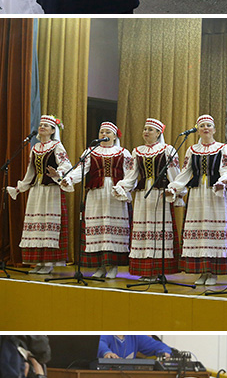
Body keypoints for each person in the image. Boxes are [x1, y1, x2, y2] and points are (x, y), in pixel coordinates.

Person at [166, 114, 227, 287]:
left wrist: (223, 182)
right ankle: (202, 270)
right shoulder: (192, 150)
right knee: (199, 230)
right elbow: (185, 172)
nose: (205, 128)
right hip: (198, 194)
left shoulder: (223, 148)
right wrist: (174, 187)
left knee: (214, 228)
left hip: (216, 194)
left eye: (208, 125)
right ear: (197, 130)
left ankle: (213, 271)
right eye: (202, 126)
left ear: (214, 129)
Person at [113, 118, 181, 278]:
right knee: (143, 229)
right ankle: (145, 269)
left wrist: (175, 189)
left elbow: (174, 173)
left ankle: (159, 270)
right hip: (143, 195)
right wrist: (122, 186)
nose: (146, 132)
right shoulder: (137, 151)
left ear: (159, 133)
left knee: (160, 229)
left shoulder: (168, 150)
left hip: (161, 194)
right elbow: (131, 175)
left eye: (150, 129)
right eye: (145, 129)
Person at [65, 121, 133, 280]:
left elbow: (131, 174)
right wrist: (69, 179)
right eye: (102, 132)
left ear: (115, 136)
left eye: (108, 132)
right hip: (96, 194)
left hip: (115, 194)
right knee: (98, 228)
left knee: (112, 228)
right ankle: (100, 266)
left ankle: (113, 266)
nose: (104, 135)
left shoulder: (124, 152)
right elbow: (81, 170)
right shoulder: (90, 151)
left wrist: (124, 188)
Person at [7, 115, 72, 275]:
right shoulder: (35, 148)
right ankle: (39, 261)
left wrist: (58, 173)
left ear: (52, 131)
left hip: (51, 189)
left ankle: (49, 262)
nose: (42, 127)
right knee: (37, 222)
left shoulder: (57, 146)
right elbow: (31, 171)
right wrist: (19, 187)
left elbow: (67, 164)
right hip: (37, 190)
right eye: (41, 124)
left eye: (46, 125)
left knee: (48, 222)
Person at [98, 334, 173, 360]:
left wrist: (164, 352)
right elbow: (100, 343)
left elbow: (159, 346)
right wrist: (107, 353)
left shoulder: (135, 336)